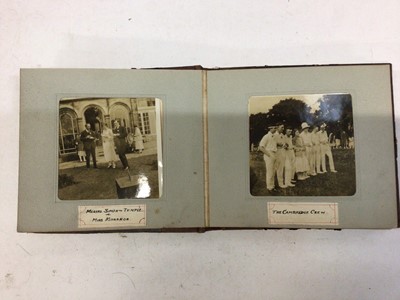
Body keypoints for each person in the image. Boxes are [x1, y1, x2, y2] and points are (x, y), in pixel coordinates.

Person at [258, 125, 278, 191]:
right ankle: (269, 187)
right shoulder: (266, 136)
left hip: (274, 153)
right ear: (270, 128)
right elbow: (261, 147)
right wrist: (269, 154)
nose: (276, 129)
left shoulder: (274, 136)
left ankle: (272, 186)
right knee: (270, 171)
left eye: (276, 128)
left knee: (273, 171)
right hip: (269, 154)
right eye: (275, 128)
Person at [274, 123, 287, 188]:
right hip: (277, 152)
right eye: (281, 127)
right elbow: (274, 143)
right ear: (277, 127)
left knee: (281, 167)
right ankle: (280, 183)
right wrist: (280, 144)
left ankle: (280, 182)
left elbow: (284, 143)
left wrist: (284, 145)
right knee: (278, 168)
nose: (283, 129)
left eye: (283, 127)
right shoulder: (274, 135)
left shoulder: (282, 135)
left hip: (282, 152)